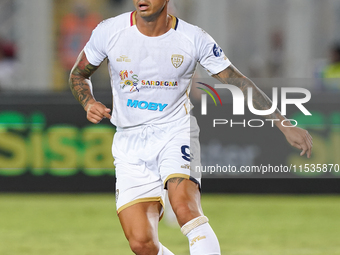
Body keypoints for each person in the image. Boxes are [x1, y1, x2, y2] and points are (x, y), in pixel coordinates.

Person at [69, 1, 313, 254]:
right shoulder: (109, 31)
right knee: (141, 243)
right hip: (129, 142)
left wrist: (284, 124)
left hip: (175, 132)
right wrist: (88, 102)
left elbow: (239, 81)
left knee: (185, 208)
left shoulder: (193, 38)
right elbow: (78, 74)